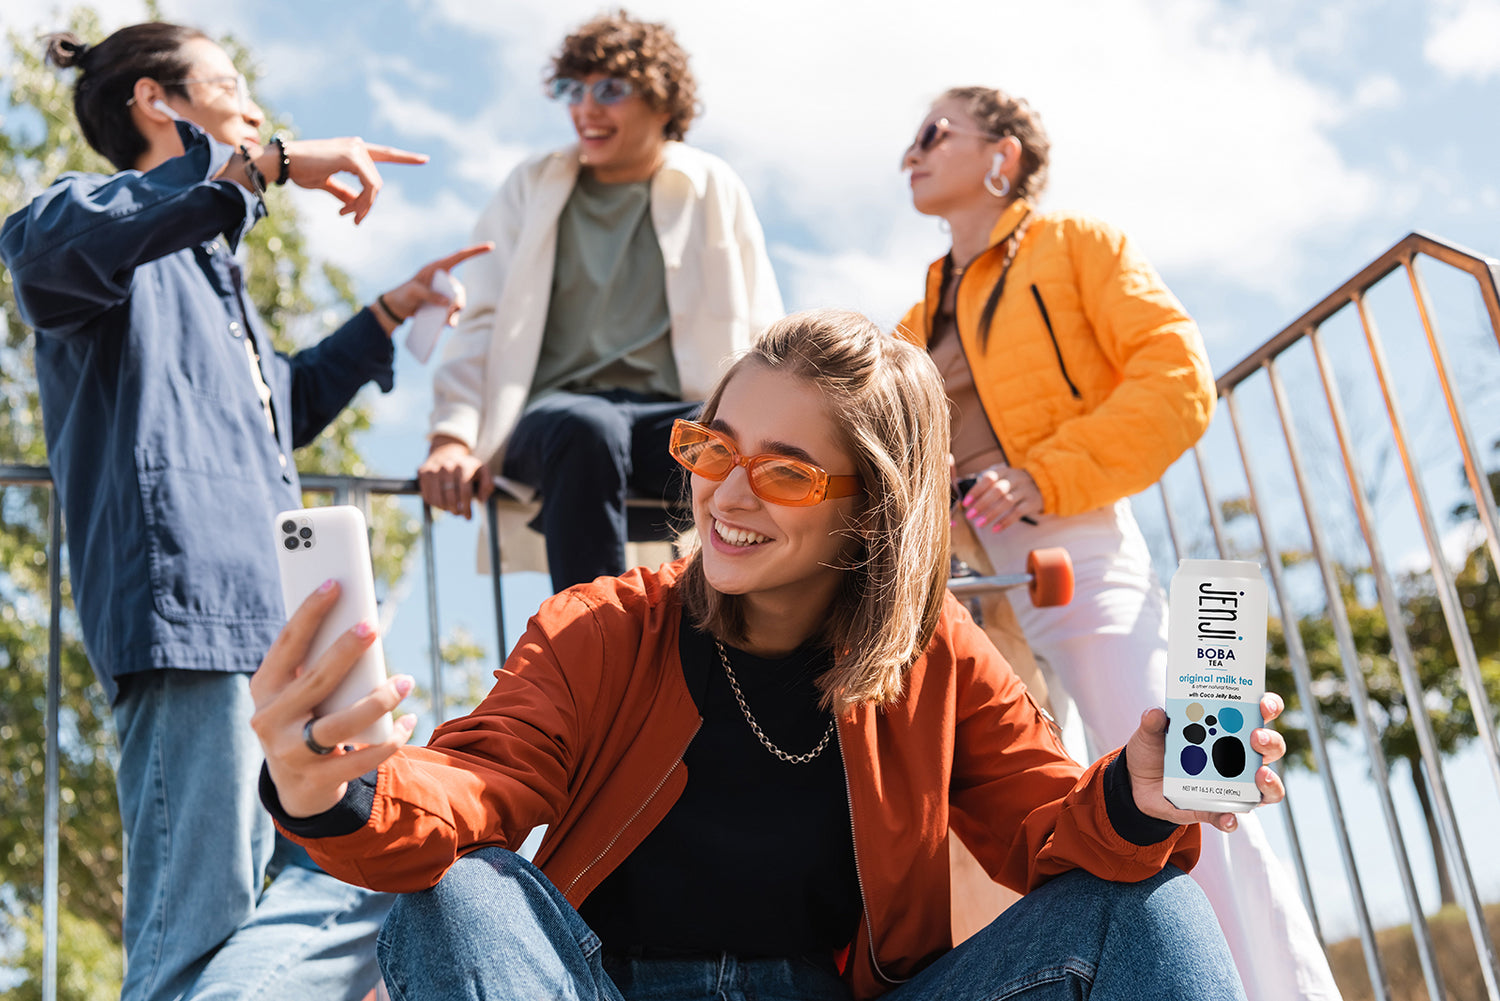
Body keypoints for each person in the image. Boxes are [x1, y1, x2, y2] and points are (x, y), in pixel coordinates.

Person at [251, 309, 1296, 1001]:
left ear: (871, 512)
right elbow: (474, 777)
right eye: (713, 448)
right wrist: (332, 790)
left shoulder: (936, 655)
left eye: (786, 472)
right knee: (461, 885)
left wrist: (1139, 798)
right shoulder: (603, 622)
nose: (726, 494)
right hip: (601, 986)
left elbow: (1044, 827)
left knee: (1149, 906)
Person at [0, 22, 488, 1001]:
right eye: (229, 81)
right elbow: (53, 250)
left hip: (286, 635)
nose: (256, 100)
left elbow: (284, 410)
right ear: (156, 100)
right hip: (191, 626)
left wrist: (386, 315)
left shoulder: (218, 273)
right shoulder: (80, 229)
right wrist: (259, 166)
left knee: (357, 873)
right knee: (198, 923)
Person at [896, 86, 1340, 1001]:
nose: (911, 151)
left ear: (1002, 156)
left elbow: (1177, 379)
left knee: (1191, 778)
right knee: (1024, 809)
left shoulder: (1075, 248)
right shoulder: (918, 315)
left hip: (1067, 541)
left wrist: (1044, 474)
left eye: (934, 133)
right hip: (956, 575)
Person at [416, 9, 783, 592]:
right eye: (572, 89)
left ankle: (744, 644)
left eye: (610, 90)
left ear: (663, 104)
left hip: (671, 418)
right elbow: (480, 318)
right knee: (587, 429)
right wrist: (451, 437)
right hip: (556, 419)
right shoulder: (530, 188)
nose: (586, 108)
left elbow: (764, 328)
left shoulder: (712, 186)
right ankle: (595, 650)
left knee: (736, 446)